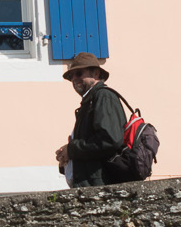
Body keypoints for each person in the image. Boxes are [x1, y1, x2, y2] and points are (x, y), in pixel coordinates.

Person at [55, 52, 129, 187]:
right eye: (71, 76)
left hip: (100, 184)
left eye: (79, 73)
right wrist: (67, 158)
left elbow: (109, 140)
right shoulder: (90, 101)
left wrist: (71, 150)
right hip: (91, 184)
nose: (74, 79)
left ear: (95, 74)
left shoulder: (103, 96)